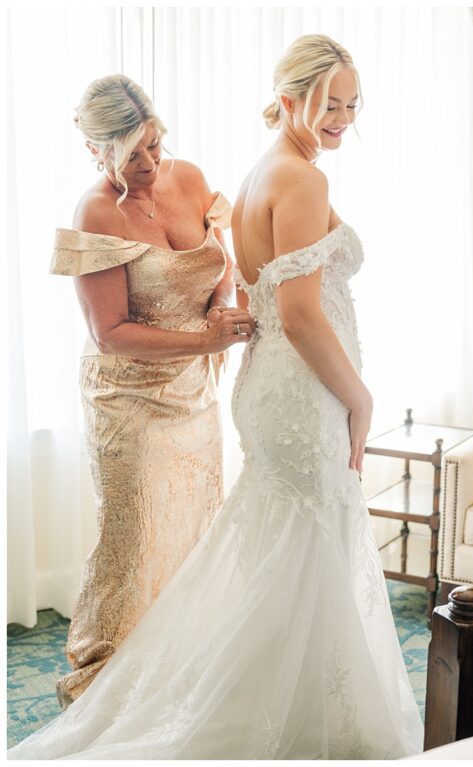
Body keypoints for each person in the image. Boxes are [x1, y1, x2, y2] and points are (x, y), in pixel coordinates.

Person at [10, 35, 423, 759]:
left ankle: (243, 682)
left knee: (227, 543)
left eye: (355, 105)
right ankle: (116, 678)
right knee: (151, 542)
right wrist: (358, 395)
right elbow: (127, 330)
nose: (151, 160)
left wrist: (226, 317)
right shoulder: (291, 181)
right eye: (332, 104)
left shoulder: (239, 170)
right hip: (149, 396)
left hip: (227, 387)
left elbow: (244, 276)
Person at [48, 74, 254, 708]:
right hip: (128, 403)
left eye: (155, 145)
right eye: (132, 153)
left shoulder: (187, 178)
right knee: (133, 541)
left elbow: (222, 263)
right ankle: (103, 686)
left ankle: (182, 669)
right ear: (96, 150)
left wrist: (222, 308)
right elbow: (110, 333)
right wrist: (207, 343)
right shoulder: (95, 213)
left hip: (194, 395)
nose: (150, 164)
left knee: (193, 530)